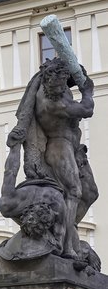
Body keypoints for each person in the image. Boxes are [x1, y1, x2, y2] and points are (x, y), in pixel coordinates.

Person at [6, 56, 98, 261]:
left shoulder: (55, 87)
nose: (62, 86)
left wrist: (76, 74)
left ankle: (68, 226)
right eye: (60, 82)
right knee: (74, 191)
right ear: (50, 80)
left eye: (64, 81)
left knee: (91, 193)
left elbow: (74, 76)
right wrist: (87, 91)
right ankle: (67, 247)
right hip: (59, 147)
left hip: (74, 148)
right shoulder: (51, 102)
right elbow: (86, 109)